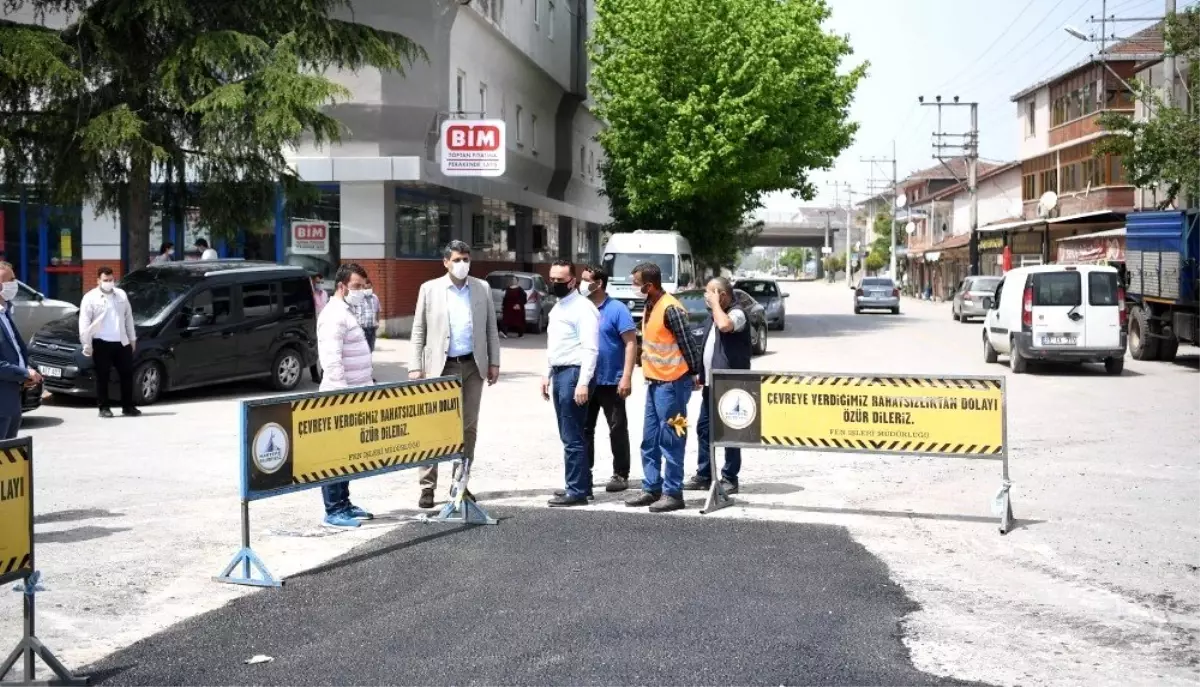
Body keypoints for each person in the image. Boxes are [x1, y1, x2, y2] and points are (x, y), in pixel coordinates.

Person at [410, 240, 501, 509]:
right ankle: (427, 486)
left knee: (468, 427)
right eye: (458, 259)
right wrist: (416, 366)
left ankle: (460, 482)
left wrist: (494, 361)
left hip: (473, 366)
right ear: (446, 262)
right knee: (434, 426)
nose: (463, 264)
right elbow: (419, 331)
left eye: (466, 259)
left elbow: (491, 329)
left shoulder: (481, 287)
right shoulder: (429, 289)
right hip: (441, 367)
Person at [624, 262, 702, 513]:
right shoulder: (650, 305)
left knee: (672, 439)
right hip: (655, 384)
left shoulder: (671, 308)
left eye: (636, 283)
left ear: (650, 285)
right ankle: (652, 487)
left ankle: (673, 492)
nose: (634, 287)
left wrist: (694, 374)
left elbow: (689, 345)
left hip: (672, 385)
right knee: (650, 439)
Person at [316, 263, 376, 529]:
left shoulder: (346, 311)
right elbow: (331, 360)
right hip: (340, 397)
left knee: (348, 455)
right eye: (356, 287)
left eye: (363, 287)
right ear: (341, 287)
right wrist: (344, 397)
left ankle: (345, 503)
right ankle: (334, 510)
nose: (361, 292)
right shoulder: (334, 315)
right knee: (334, 455)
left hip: (356, 396)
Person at [684, 277, 751, 495]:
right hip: (711, 385)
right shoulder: (712, 316)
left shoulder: (737, 313)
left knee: (731, 432)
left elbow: (726, 326)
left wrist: (715, 305)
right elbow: (707, 348)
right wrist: (698, 373)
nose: (705, 297)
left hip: (731, 384)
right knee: (704, 429)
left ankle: (730, 478)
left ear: (722, 295)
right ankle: (705, 474)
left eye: (709, 293)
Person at [542, 260, 600, 506]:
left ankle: (576, 490)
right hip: (560, 371)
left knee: (572, 434)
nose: (555, 284)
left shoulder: (582, 309)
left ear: (573, 281)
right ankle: (580, 484)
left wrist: (583, 382)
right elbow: (555, 344)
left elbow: (590, 348)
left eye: (560, 280)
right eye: (552, 279)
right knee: (572, 433)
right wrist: (547, 373)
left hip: (574, 374)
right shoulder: (559, 307)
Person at [580, 265, 635, 492]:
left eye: (585, 280)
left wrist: (627, 377)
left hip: (611, 380)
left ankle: (621, 474)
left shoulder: (617, 309)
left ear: (599, 283)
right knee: (583, 430)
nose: (581, 283)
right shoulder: (580, 308)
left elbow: (631, 343)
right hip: (585, 380)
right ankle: (584, 474)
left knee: (617, 428)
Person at [78, 266, 140, 418]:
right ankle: (104, 407)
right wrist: (87, 344)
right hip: (101, 342)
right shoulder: (90, 297)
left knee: (126, 374)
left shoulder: (121, 295)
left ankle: (128, 406)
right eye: (105, 280)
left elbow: (128, 318)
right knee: (103, 376)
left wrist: (132, 339)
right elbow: (84, 323)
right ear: (98, 280)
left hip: (121, 341)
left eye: (111, 280)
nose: (109, 283)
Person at [0, 262, 39, 438]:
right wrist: (24, 373)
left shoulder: (6, 313)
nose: (15, 284)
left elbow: (15, 350)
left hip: (12, 401)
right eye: (11, 280)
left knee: (9, 460)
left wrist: (28, 371)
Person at [310, 273, 329, 383]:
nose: (320, 284)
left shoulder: (325, 294)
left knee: (325, 350)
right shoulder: (311, 294)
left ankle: (324, 373)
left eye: (321, 282)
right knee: (314, 350)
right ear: (313, 282)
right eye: (318, 282)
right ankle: (314, 375)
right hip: (314, 325)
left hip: (324, 325)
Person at [354, 278, 381, 352]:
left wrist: (377, 322)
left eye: (369, 287)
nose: (368, 289)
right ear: (362, 288)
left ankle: (368, 362)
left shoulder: (375, 298)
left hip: (372, 328)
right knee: (362, 349)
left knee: (371, 348)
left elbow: (378, 310)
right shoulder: (357, 298)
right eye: (366, 288)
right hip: (361, 328)